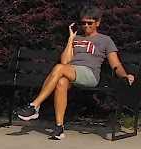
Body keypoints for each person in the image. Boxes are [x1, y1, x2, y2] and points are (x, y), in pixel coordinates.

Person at [15, 5, 135, 140]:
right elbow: (66, 61)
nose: (86, 26)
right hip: (72, 72)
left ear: (98, 22)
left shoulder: (105, 40)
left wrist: (125, 76)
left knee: (59, 68)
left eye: (90, 23)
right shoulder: (77, 38)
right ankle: (59, 128)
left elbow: (116, 63)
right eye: (83, 23)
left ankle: (35, 105)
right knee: (61, 82)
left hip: (90, 75)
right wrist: (71, 38)